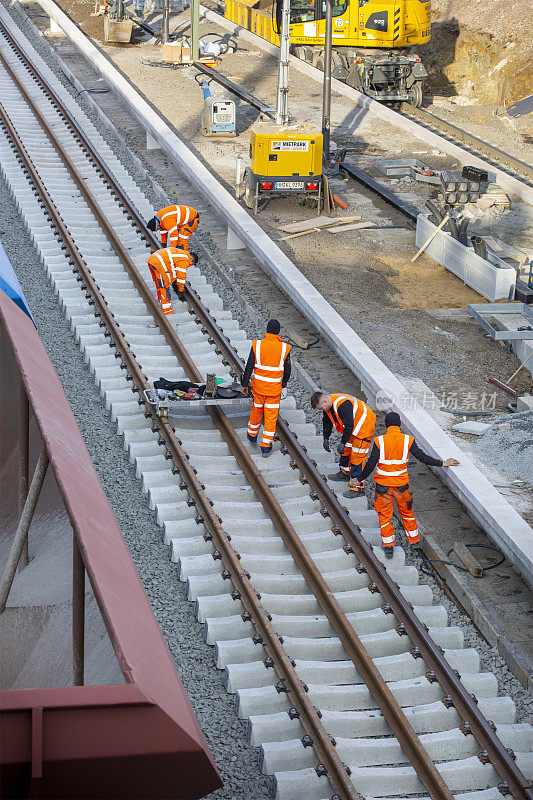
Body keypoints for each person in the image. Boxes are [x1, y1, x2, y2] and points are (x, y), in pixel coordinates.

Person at [356, 411, 460, 558]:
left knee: (385, 516)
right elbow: (422, 457)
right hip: (401, 487)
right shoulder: (408, 440)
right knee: (407, 513)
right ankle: (414, 541)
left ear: (386, 425)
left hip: (383, 487)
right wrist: (443, 463)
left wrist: (359, 478)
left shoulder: (380, 441)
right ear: (399, 425)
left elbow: (371, 464)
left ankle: (388, 546)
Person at [241, 320, 291, 458]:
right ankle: (265, 447)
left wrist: (245, 384)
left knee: (256, 411)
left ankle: (252, 435)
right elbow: (288, 370)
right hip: (274, 391)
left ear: (267, 330)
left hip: (258, 388)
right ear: (278, 331)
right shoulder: (284, 348)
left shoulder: (257, 345)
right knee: (270, 417)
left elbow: (249, 366)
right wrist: (284, 383)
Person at [310, 391, 376, 495]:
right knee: (345, 450)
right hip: (352, 428)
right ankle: (345, 473)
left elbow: (349, 424)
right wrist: (326, 438)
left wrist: (343, 442)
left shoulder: (342, 405)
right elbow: (327, 421)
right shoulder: (328, 405)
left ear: (324, 401)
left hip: (364, 427)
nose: (321, 410)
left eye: (321, 408)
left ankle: (358, 488)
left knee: (357, 457)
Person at [147, 247, 198, 315]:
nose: (189, 266)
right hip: (159, 262)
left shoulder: (182, 254)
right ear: (191, 259)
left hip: (154, 259)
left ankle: (160, 298)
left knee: (160, 282)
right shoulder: (185, 259)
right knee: (165, 283)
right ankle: (167, 311)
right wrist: (180, 291)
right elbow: (181, 277)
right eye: (191, 264)